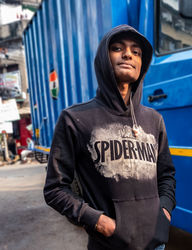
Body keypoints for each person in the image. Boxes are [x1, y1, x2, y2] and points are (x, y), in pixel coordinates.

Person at [44, 24, 176, 250]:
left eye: (136, 52)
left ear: (142, 65)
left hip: (155, 244)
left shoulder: (154, 120)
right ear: (103, 59)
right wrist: (98, 221)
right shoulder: (75, 119)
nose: (128, 54)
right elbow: (55, 189)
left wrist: (164, 211)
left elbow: (167, 175)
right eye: (117, 48)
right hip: (108, 244)